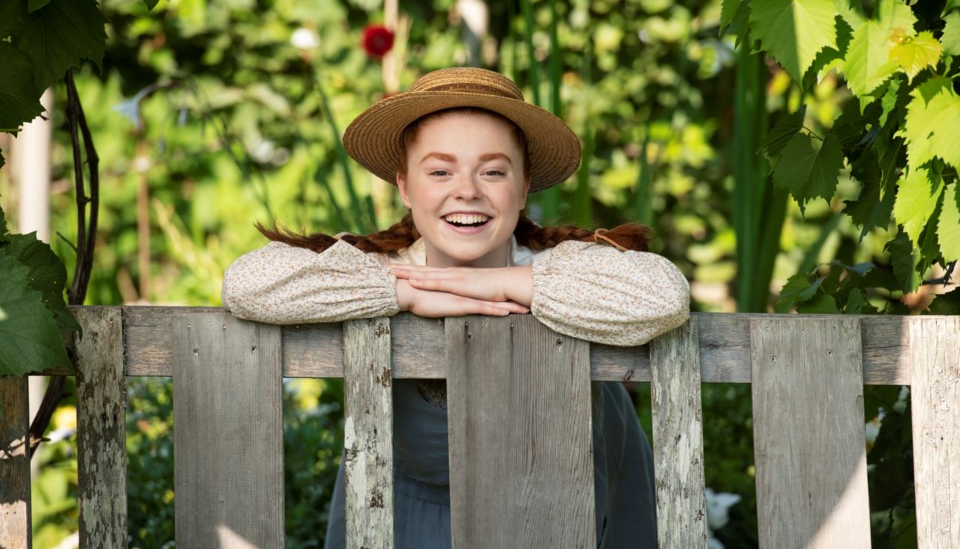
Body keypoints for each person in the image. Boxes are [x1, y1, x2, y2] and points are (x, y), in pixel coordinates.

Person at [221, 67, 690, 549]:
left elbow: (664, 296)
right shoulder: (382, 267)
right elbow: (245, 284)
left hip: (559, 507)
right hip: (407, 511)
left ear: (524, 187)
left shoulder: (556, 264)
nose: (466, 190)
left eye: (492, 171)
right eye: (440, 171)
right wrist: (406, 293)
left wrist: (496, 282)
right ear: (405, 186)